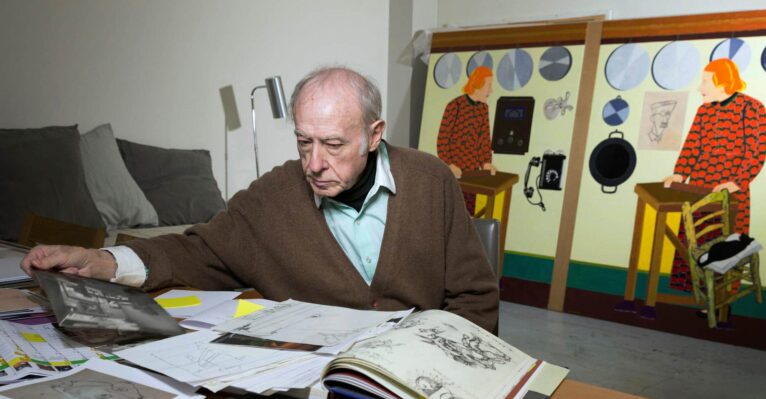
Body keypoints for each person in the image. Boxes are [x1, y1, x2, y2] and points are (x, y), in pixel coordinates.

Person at [21, 66, 499, 333]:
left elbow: (475, 298)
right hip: (321, 386)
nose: (314, 164)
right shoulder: (274, 195)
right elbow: (198, 250)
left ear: (374, 135)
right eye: (304, 142)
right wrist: (102, 261)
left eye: (333, 144)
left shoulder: (430, 181)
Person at [662, 58, 766, 293]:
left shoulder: (752, 108)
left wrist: (737, 182)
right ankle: (696, 296)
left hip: (731, 190)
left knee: (726, 244)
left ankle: (722, 302)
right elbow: (692, 145)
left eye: (705, 82)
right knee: (695, 240)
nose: (700, 88)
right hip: (699, 187)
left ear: (723, 83)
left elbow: (756, 150)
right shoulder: (704, 111)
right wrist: (680, 174)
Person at [436, 65, 498, 214]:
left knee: (469, 213)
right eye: (489, 85)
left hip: (472, 173)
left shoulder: (483, 109)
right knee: (450, 211)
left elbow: (484, 139)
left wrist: (486, 163)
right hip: (453, 172)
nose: (491, 91)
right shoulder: (455, 106)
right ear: (478, 85)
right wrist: (450, 164)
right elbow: (443, 140)